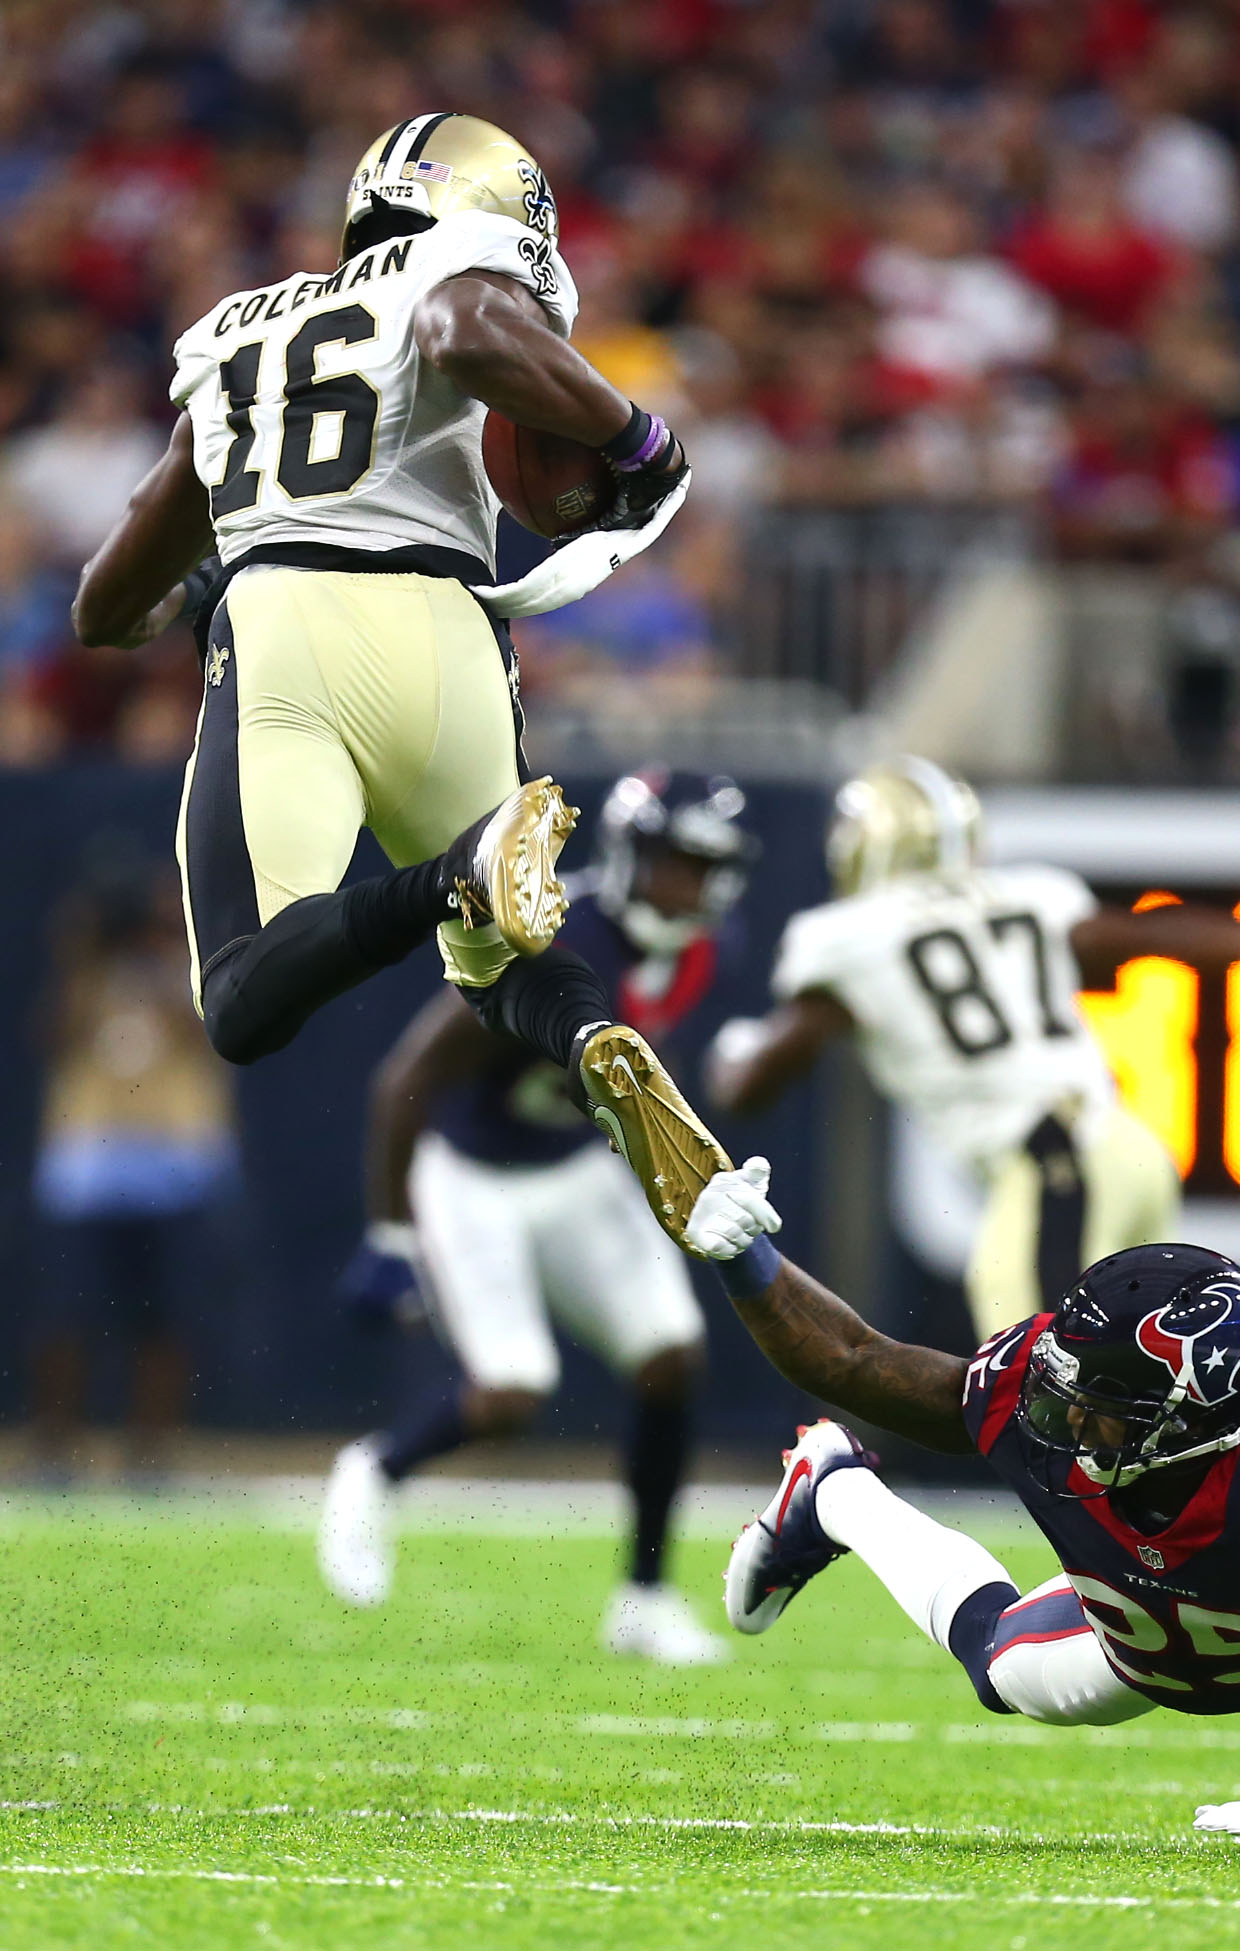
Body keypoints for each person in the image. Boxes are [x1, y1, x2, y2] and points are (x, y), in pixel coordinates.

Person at [67, 112, 731, 1251]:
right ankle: (588, 1043)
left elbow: (102, 606)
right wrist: (632, 436)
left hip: (287, 629)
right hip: (448, 634)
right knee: (509, 967)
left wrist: (186, 596)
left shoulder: (236, 331)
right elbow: (459, 325)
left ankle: (445, 883)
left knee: (241, 998)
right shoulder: (462, 262)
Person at [679, 1167, 1240, 1851]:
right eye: (1068, 1386)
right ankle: (833, 1489)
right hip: (1153, 1640)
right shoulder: (1046, 1381)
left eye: (1105, 1407)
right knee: (999, 1670)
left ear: (1199, 1414)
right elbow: (851, 1357)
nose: (1063, 1416)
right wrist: (744, 1258)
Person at [706, 756, 1240, 1339]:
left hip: (1057, 1160)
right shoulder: (1031, 895)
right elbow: (1156, 934)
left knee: (1033, 1377)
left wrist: (735, 1056)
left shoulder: (846, 937)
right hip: (1130, 1151)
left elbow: (758, 1080)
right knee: (1125, 1371)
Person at [318, 771, 754, 1664]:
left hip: (573, 1166)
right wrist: (391, 1234)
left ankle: (643, 1598)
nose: (689, 888)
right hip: (475, 1172)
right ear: (633, 855)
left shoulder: (709, 947)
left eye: (706, 868)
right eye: (676, 862)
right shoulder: (550, 935)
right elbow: (404, 1079)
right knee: (510, 1390)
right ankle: (375, 1468)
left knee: (671, 1356)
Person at [29, 853, 237, 1481]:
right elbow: (52, 1037)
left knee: (165, 1316)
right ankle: (53, 1450)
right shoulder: (89, 975)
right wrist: (84, 953)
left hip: (173, 1161)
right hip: (88, 1163)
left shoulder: (194, 969)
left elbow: (212, 1032)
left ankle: (151, 1452)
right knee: (66, 1313)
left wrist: (170, 949)